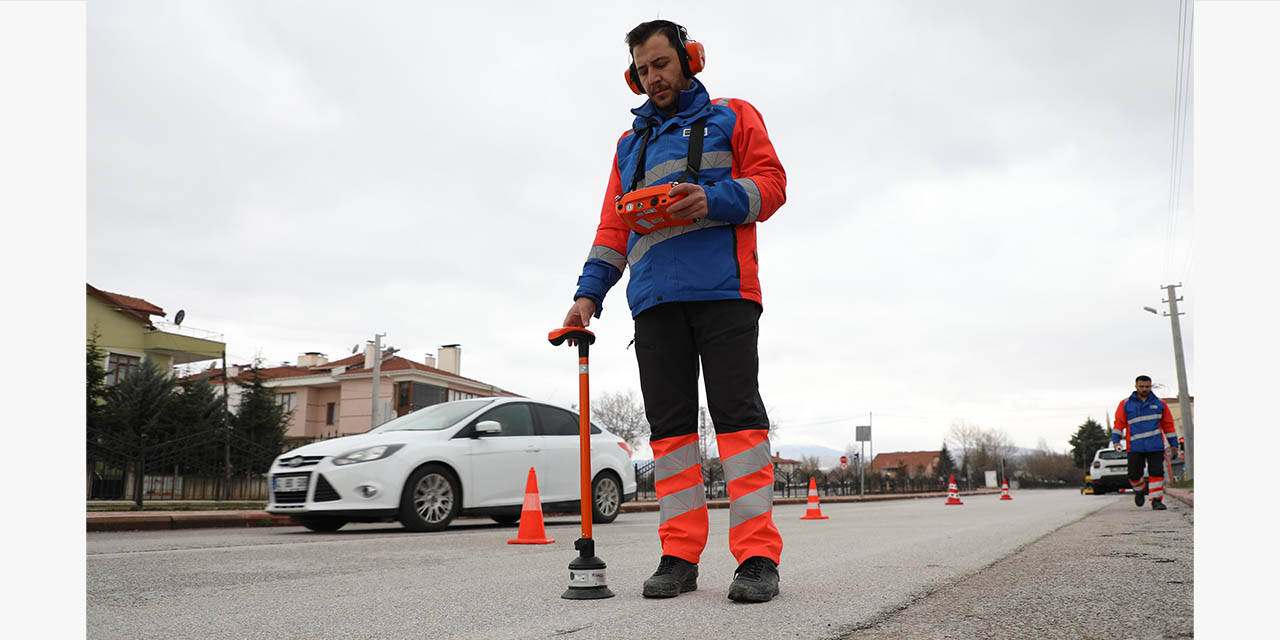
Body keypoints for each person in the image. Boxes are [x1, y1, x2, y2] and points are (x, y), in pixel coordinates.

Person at [561, 19, 787, 602]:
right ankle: (679, 555)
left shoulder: (733, 115)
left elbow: (772, 185)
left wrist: (711, 197)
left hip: (725, 293)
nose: (653, 77)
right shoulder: (628, 146)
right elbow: (613, 228)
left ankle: (757, 557)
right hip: (654, 302)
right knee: (671, 436)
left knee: (739, 425)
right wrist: (588, 297)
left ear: (688, 60)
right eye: (642, 70)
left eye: (661, 64)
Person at [1112, 375, 1180, 510]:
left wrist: (1174, 444)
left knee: (1157, 472)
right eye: (1142, 386)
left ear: (1151, 386)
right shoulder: (1125, 404)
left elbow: (1168, 425)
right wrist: (1116, 441)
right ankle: (1140, 490)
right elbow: (1119, 423)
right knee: (1133, 475)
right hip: (1135, 446)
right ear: (1136, 386)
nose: (1144, 389)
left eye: (1147, 386)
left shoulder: (1160, 404)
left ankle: (1156, 500)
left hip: (1155, 445)